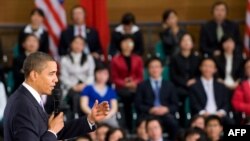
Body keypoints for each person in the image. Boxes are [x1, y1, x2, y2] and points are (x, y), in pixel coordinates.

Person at [4, 52, 110, 141]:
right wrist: (52, 132)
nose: (56, 79)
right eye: (51, 74)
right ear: (34, 75)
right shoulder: (23, 105)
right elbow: (51, 132)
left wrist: (90, 119)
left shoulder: (28, 98)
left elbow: (54, 131)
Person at [135, 57, 179, 140]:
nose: (155, 69)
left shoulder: (170, 85)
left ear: (162, 69)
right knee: (142, 126)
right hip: (147, 114)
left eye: (157, 67)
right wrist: (150, 109)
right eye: (152, 67)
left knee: (174, 124)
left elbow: (175, 105)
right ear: (147, 69)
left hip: (165, 114)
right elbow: (138, 104)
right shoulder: (142, 85)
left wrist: (166, 109)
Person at [111, 34, 143, 130]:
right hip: (121, 88)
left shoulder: (138, 59)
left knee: (140, 97)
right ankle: (128, 127)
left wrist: (134, 83)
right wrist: (125, 84)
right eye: (125, 42)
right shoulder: (115, 60)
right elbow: (114, 78)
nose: (127, 44)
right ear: (120, 44)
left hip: (135, 87)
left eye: (130, 42)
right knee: (127, 97)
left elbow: (140, 76)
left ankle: (140, 125)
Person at [189, 58, 233, 125]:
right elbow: (194, 103)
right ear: (200, 68)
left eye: (210, 66)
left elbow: (226, 102)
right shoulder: (194, 85)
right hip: (202, 115)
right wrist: (203, 112)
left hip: (219, 114)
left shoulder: (221, 85)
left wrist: (221, 112)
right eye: (205, 66)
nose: (207, 69)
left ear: (215, 69)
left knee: (231, 123)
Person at [60, 36, 95, 118]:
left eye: (81, 44)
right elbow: (64, 77)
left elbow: (91, 75)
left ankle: (90, 117)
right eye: (76, 43)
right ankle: (76, 116)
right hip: (71, 87)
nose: (78, 45)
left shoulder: (89, 58)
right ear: (71, 44)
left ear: (84, 46)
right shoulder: (64, 59)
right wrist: (74, 86)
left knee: (86, 94)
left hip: (86, 86)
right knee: (76, 96)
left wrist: (84, 85)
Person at [170, 33, 201, 125]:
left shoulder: (197, 58)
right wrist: (185, 83)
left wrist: (194, 80)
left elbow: (199, 74)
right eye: (184, 40)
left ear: (192, 44)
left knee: (197, 94)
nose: (186, 42)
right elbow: (173, 75)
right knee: (180, 94)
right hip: (180, 86)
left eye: (189, 40)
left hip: (194, 85)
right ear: (180, 43)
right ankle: (182, 123)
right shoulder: (175, 58)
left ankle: (196, 121)